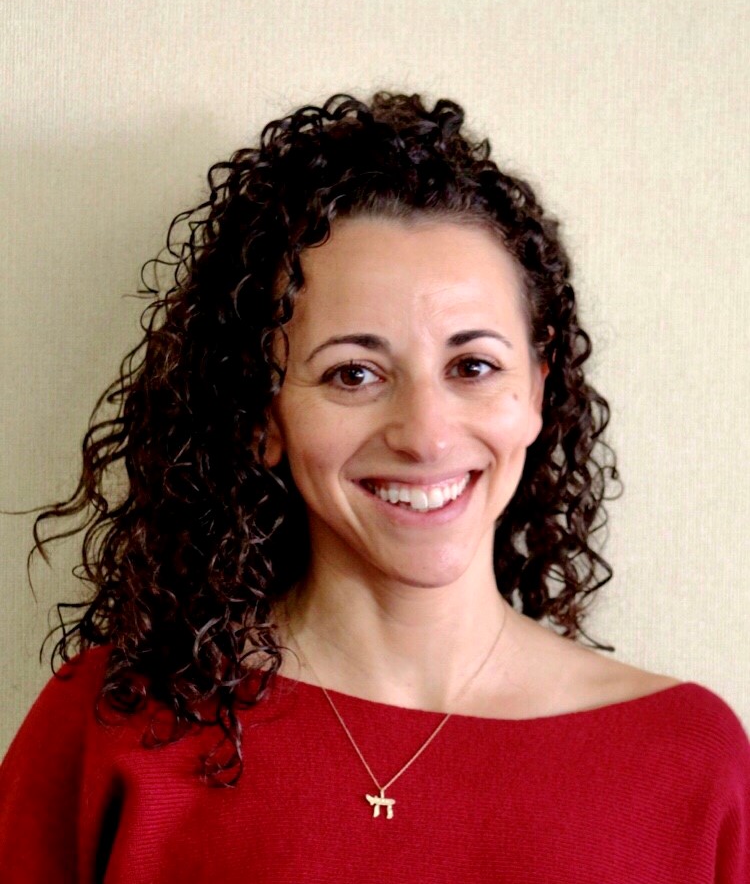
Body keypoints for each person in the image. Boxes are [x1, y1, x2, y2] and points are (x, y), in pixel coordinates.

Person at [0, 91, 748, 883]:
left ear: (537, 387)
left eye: (473, 367)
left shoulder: (688, 764)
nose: (424, 434)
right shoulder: (114, 726)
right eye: (353, 373)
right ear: (264, 415)